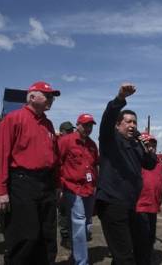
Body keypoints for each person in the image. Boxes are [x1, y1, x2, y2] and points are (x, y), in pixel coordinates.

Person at [0, 81, 60, 264]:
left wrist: (56, 184)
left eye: (52, 97)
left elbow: (54, 158)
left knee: (47, 235)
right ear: (32, 97)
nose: (51, 100)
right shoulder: (13, 119)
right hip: (22, 183)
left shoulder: (48, 124)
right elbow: (1, 155)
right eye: (47, 96)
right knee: (25, 237)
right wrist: (1, 191)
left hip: (46, 184)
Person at [95, 83, 157, 264]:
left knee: (137, 247)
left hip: (130, 204)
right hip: (112, 203)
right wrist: (120, 99)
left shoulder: (136, 145)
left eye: (134, 122)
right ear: (117, 125)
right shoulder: (110, 139)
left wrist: (147, 147)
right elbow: (107, 119)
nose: (132, 125)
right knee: (124, 255)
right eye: (128, 122)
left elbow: (151, 164)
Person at [58, 114, 99, 265]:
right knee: (79, 223)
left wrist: (96, 185)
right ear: (78, 125)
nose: (88, 128)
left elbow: (95, 165)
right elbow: (58, 163)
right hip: (73, 188)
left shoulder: (92, 144)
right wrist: (60, 185)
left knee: (86, 224)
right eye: (86, 125)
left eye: (91, 126)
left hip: (89, 189)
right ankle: (81, 261)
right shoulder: (66, 141)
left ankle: (77, 254)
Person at [135, 133, 162, 265]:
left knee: (151, 236)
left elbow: (160, 182)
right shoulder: (136, 161)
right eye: (148, 145)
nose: (151, 147)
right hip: (139, 205)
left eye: (153, 145)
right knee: (141, 237)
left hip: (153, 206)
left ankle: (146, 258)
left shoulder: (158, 162)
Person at [58, 121, 76, 249]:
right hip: (62, 182)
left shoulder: (73, 142)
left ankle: (72, 235)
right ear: (62, 131)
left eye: (71, 130)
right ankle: (65, 237)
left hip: (72, 183)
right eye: (68, 131)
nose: (70, 133)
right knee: (64, 211)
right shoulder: (59, 143)